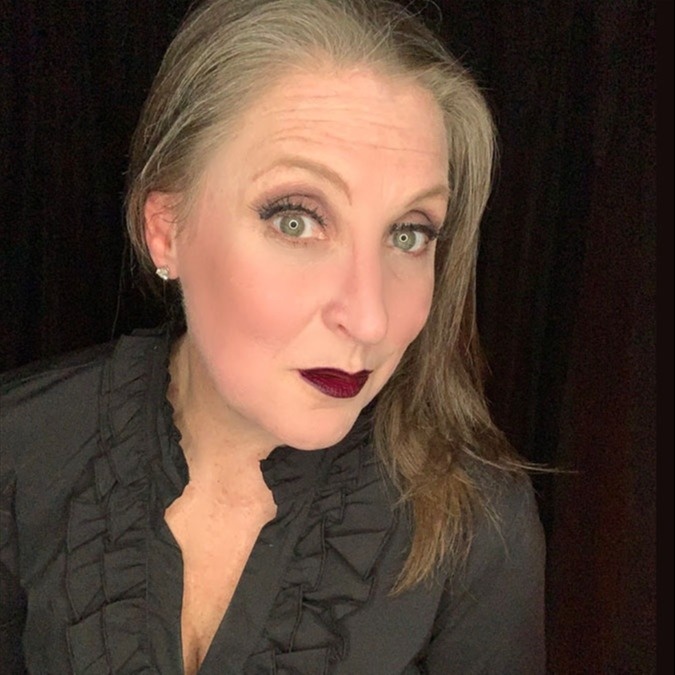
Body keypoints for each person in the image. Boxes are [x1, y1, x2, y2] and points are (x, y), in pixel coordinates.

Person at [0, 0, 546, 672]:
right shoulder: (17, 455)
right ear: (166, 230)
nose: (370, 319)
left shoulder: (476, 522)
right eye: (297, 221)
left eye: (408, 234)